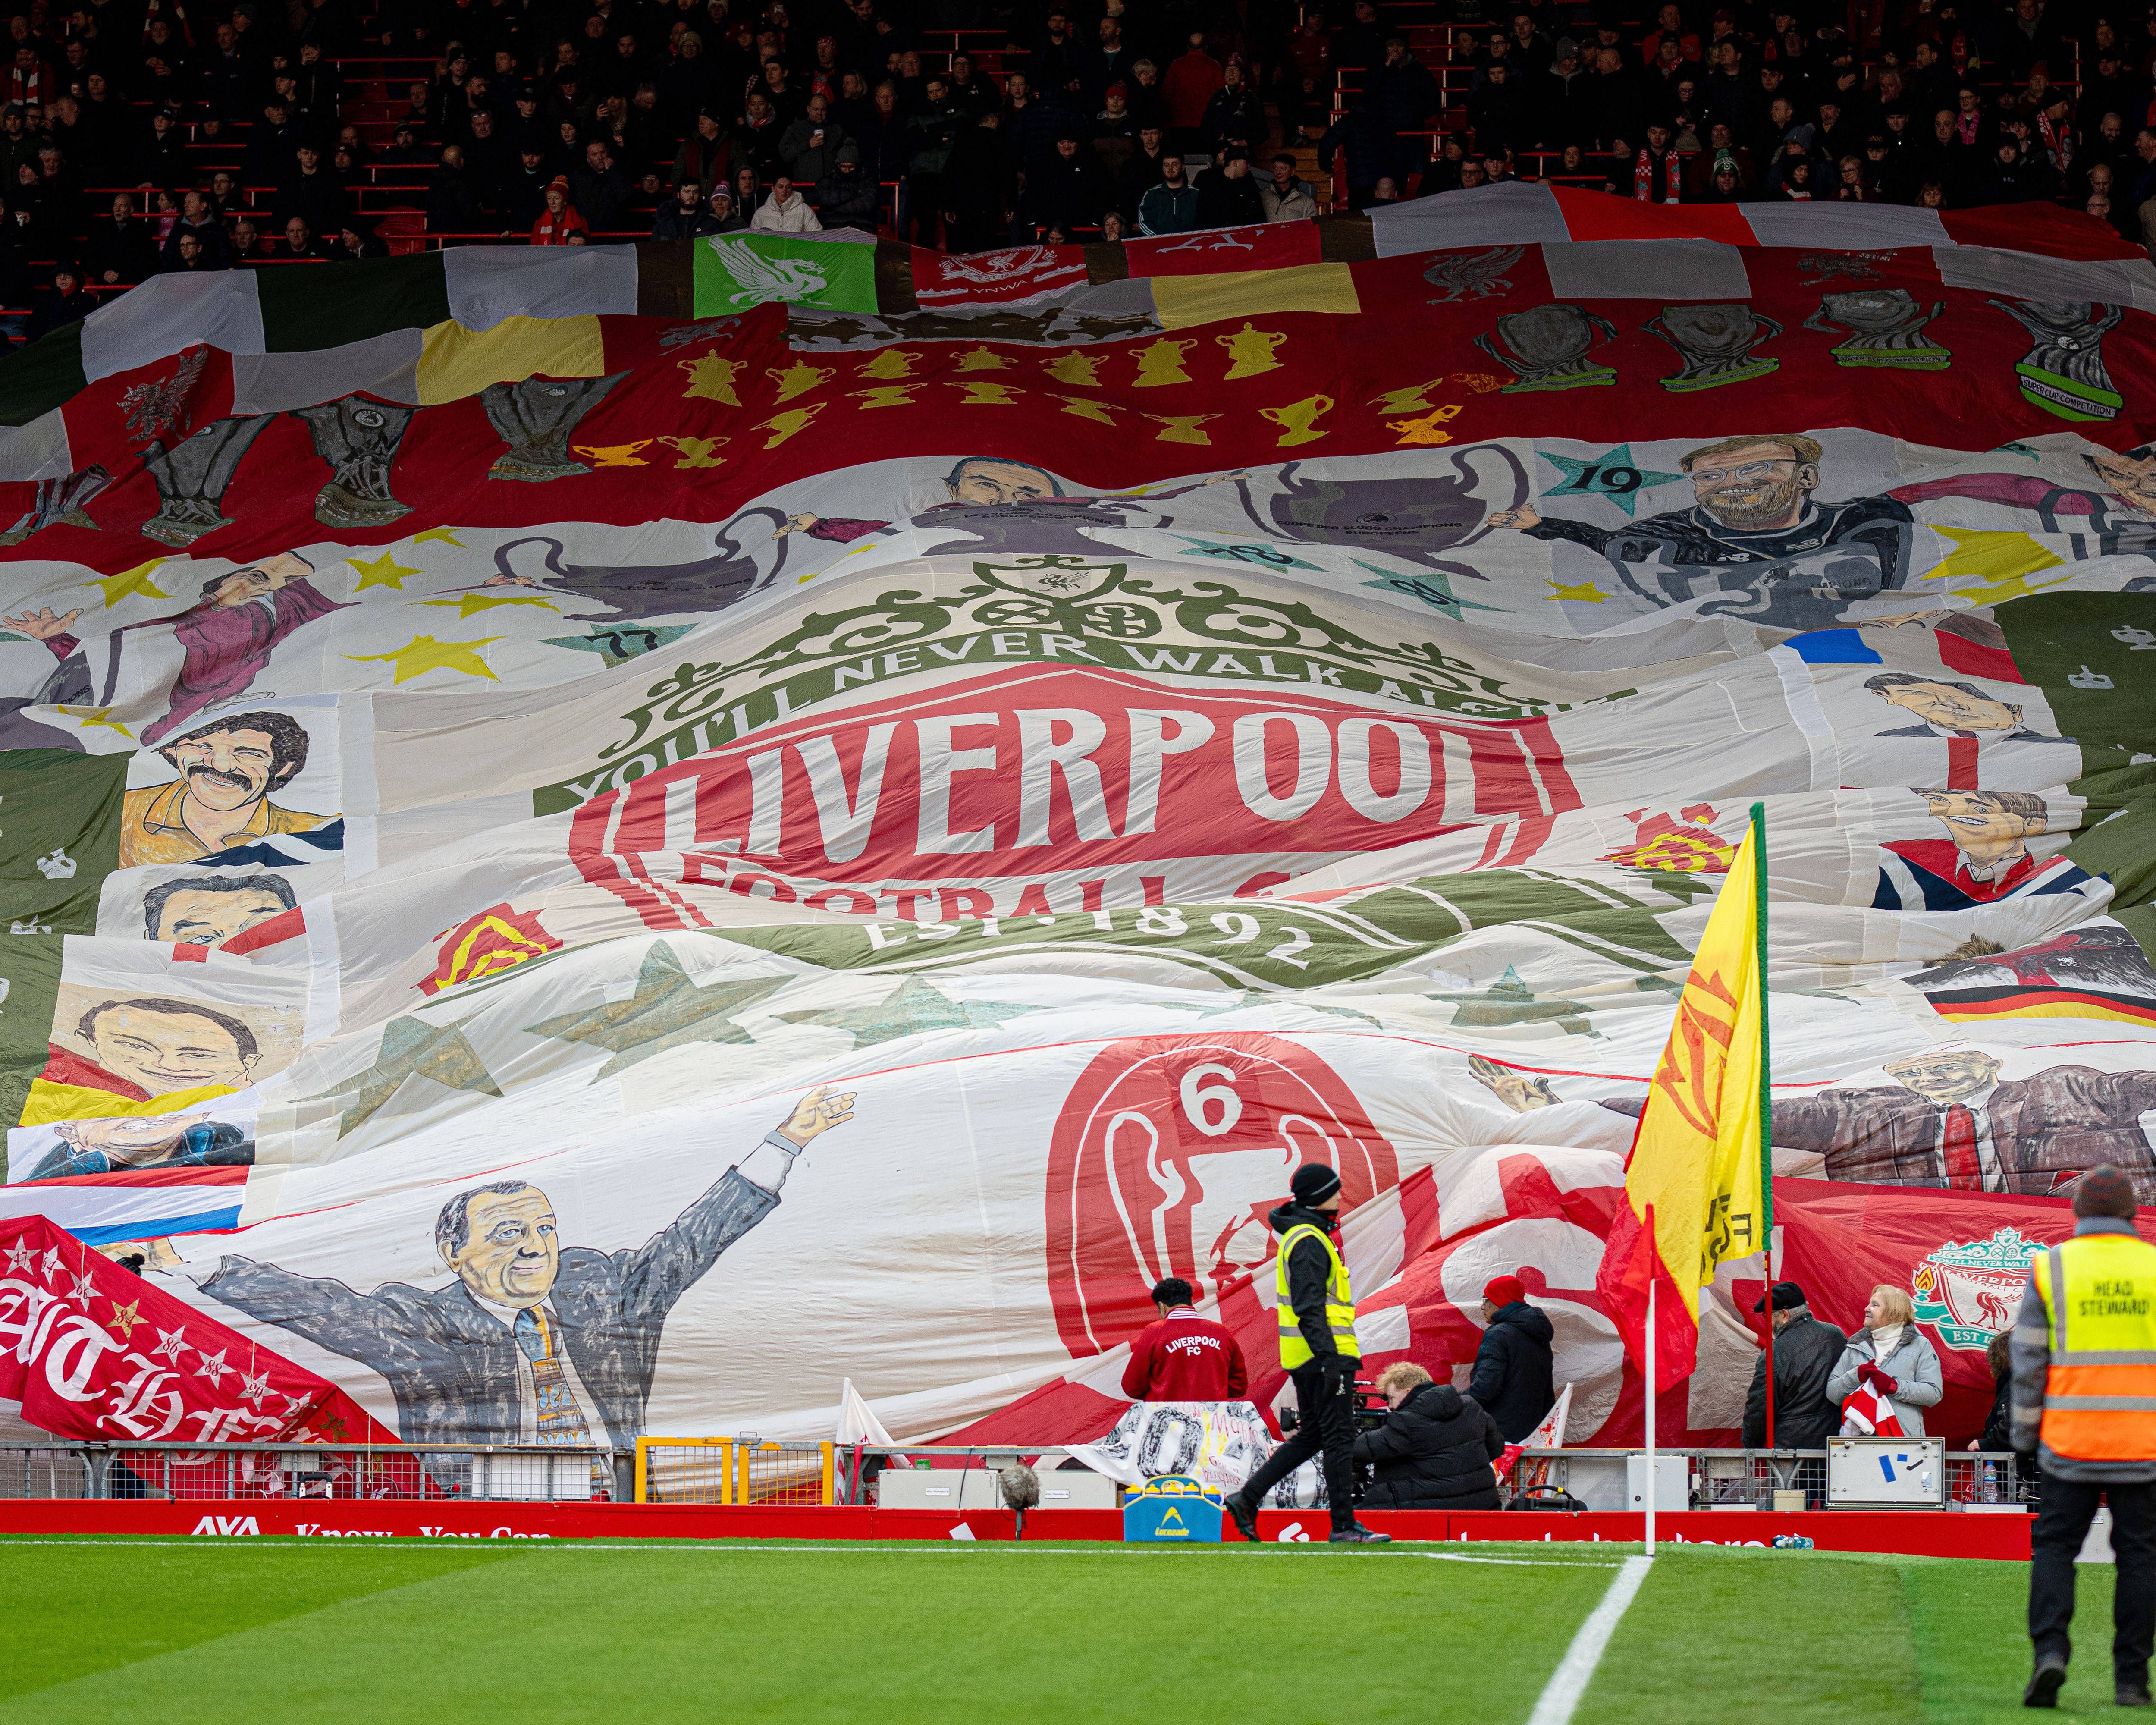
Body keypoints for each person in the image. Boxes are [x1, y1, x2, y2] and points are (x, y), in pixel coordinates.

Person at [2013, 1163, 2156, 1707]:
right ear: (2131, 1213)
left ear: (2076, 1213)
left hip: (2070, 1438)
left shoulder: (2052, 1267)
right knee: (2139, 1558)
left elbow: (2027, 1360)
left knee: (2053, 1548)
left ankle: (2050, 1654)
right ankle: (2131, 1681)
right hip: (2143, 1444)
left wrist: (2025, 1438)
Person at [1221, 1162, 1390, 1543]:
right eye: (1334, 1189)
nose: (1339, 1196)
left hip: (1309, 1355)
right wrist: (1330, 1357)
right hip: (1324, 1356)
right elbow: (1309, 1305)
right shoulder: (1309, 1240)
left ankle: (1247, 1497)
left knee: (1314, 1434)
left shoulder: (1302, 1237)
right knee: (1339, 1438)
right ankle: (1344, 1526)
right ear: (1318, 1196)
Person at [1351, 1362, 1505, 1510]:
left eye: (1391, 1398)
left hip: (1424, 1511)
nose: (1390, 1406)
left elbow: (1360, 1449)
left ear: (1408, 1392)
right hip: (1483, 1506)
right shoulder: (1471, 1407)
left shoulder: (1408, 1420)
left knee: (1348, 1521)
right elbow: (1497, 1448)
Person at [1826, 1284, 1944, 1436]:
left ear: (1893, 1313)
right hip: (1858, 1447)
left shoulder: (1920, 1345)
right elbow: (1833, 1394)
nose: (1866, 1309)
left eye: (1874, 1305)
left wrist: (1894, 1386)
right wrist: (1856, 1376)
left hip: (1902, 1444)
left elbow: (1933, 1394)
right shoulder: (1856, 1346)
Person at [1742, 1280, 1846, 1450]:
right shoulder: (1836, 1335)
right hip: (1836, 1445)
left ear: (1784, 1316)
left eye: (1767, 1316)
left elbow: (1761, 1408)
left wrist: (1751, 1445)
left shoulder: (1775, 1352)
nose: (1766, 1322)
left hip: (1791, 1449)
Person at [1120, 1277, 1248, 1401]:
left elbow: (1132, 1386)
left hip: (1168, 1420)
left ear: (1162, 1307)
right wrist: (1212, 1393)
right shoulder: (1220, 1331)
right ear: (1191, 1302)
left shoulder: (1155, 1331)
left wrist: (1163, 1392)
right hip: (1211, 1420)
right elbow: (1239, 1386)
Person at [1466, 1275, 1556, 1442]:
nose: (1482, 1306)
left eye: (1485, 1299)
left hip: (1500, 1439)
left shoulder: (1498, 1335)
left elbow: (1485, 1389)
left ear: (1499, 1300)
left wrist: (1451, 1402)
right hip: (1533, 1437)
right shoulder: (1539, 1336)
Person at [750, 174, 822, 231]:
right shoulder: (761, 213)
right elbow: (753, 240)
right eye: (781, 187)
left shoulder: (804, 210)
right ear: (773, 189)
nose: (785, 191)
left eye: (788, 187)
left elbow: (816, 234)